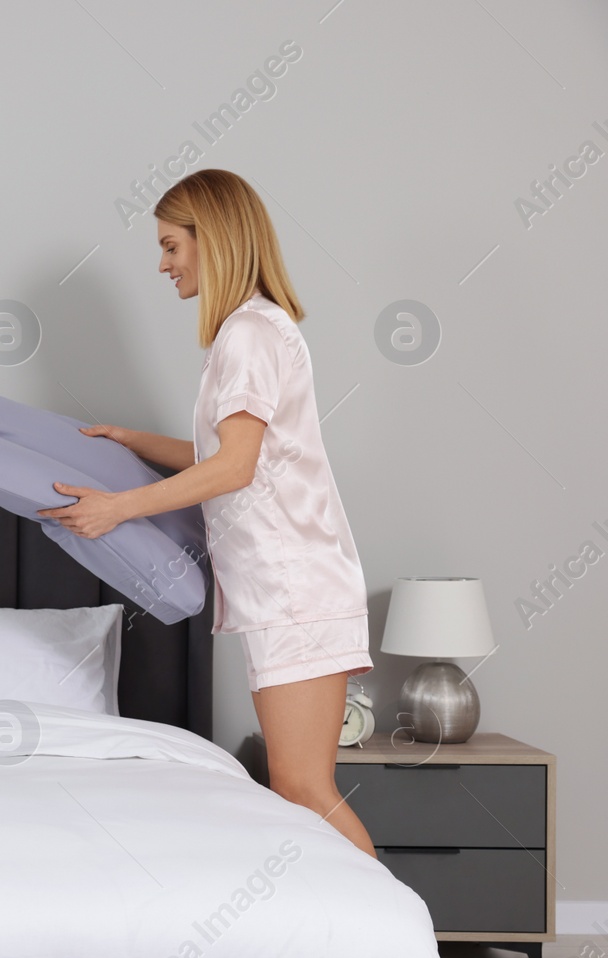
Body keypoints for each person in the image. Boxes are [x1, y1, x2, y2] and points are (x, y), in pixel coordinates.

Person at [37, 168, 375, 857]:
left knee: (306, 788)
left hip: (296, 592)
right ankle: (351, 947)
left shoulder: (249, 335)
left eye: (170, 246)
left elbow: (234, 467)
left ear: (211, 240)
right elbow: (228, 451)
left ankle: (400, 947)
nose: (163, 265)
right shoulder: (248, 332)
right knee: (296, 788)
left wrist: (118, 509)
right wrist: (133, 441)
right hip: (286, 590)